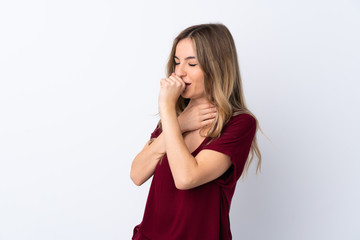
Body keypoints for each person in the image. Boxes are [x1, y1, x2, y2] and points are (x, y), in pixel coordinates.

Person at [130, 23, 262, 240]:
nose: (179, 72)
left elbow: (186, 178)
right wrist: (179, 122)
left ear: (217, 67)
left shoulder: (239, 124)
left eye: (191, 63)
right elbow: (137, 174)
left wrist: (167, 111)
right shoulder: (175, 118)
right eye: (176, 62)